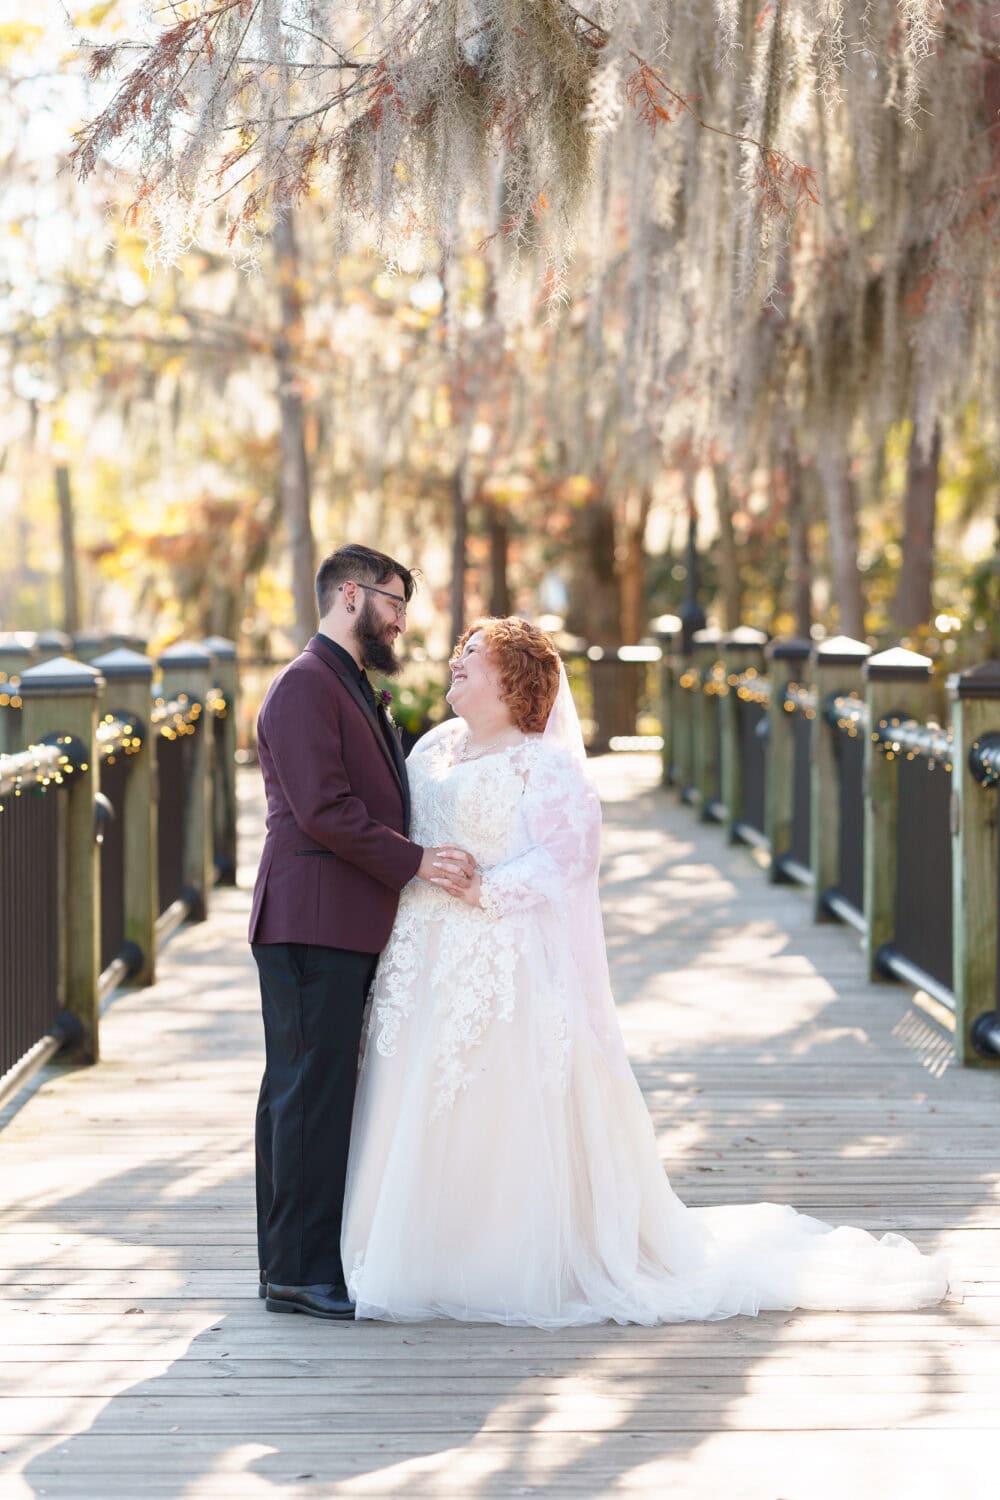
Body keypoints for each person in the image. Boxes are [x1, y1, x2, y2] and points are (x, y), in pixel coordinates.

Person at [342, 617, 951, 1326]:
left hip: (500, 958)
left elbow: (569, 860)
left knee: (489, 1100)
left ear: (513, 679)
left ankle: (496, 1260)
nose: (455, 661)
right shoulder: (434, 748)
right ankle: (404, 1247)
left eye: (471, 655)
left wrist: (487, 889)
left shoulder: (545, 765)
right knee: (412, 1096)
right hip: (425, 957)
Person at [249, 544, 474, 1320]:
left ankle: (291, 1265)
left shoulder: (350, 685)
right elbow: (324, 810)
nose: (402, 623)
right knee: (308, 1093)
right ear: (352, 595)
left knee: (308, 1088)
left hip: (335, 918)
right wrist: (416, 863)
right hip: (310, 917)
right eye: (395, 604)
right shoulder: (307, 685)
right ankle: (299, 1272)